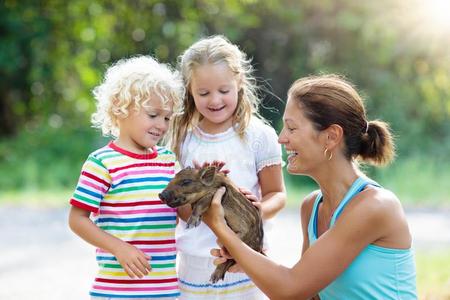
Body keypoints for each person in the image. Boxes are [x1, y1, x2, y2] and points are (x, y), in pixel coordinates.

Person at [203, 75, 418, 299]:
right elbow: (307, 292)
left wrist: (219, 226)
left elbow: (291, 289)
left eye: (291, 128)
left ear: (331, 137)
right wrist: (250, 258)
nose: (281, 138)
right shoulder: (312, 207)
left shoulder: (375, 206)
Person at [167, 35, 287, 299]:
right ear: (189, 90)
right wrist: (202, 206)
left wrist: (258, 208)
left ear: (239, 82)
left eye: (224, 90)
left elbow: (277, 194)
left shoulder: (258, 135)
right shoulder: (182, 138)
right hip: (195, 263)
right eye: (203, 93)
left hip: (247, 260)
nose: (215, 100)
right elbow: (182, 210)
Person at [68, 56, 184, 299]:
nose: (161, 125)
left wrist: (204, 183)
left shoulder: (168, 161)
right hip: (116, 291)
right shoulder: (102, 163)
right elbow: (78, 219)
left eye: (166, 117)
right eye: (153, 115)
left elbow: (185, 214)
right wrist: (119, 248)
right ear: (120, 107)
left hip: (164, 290)